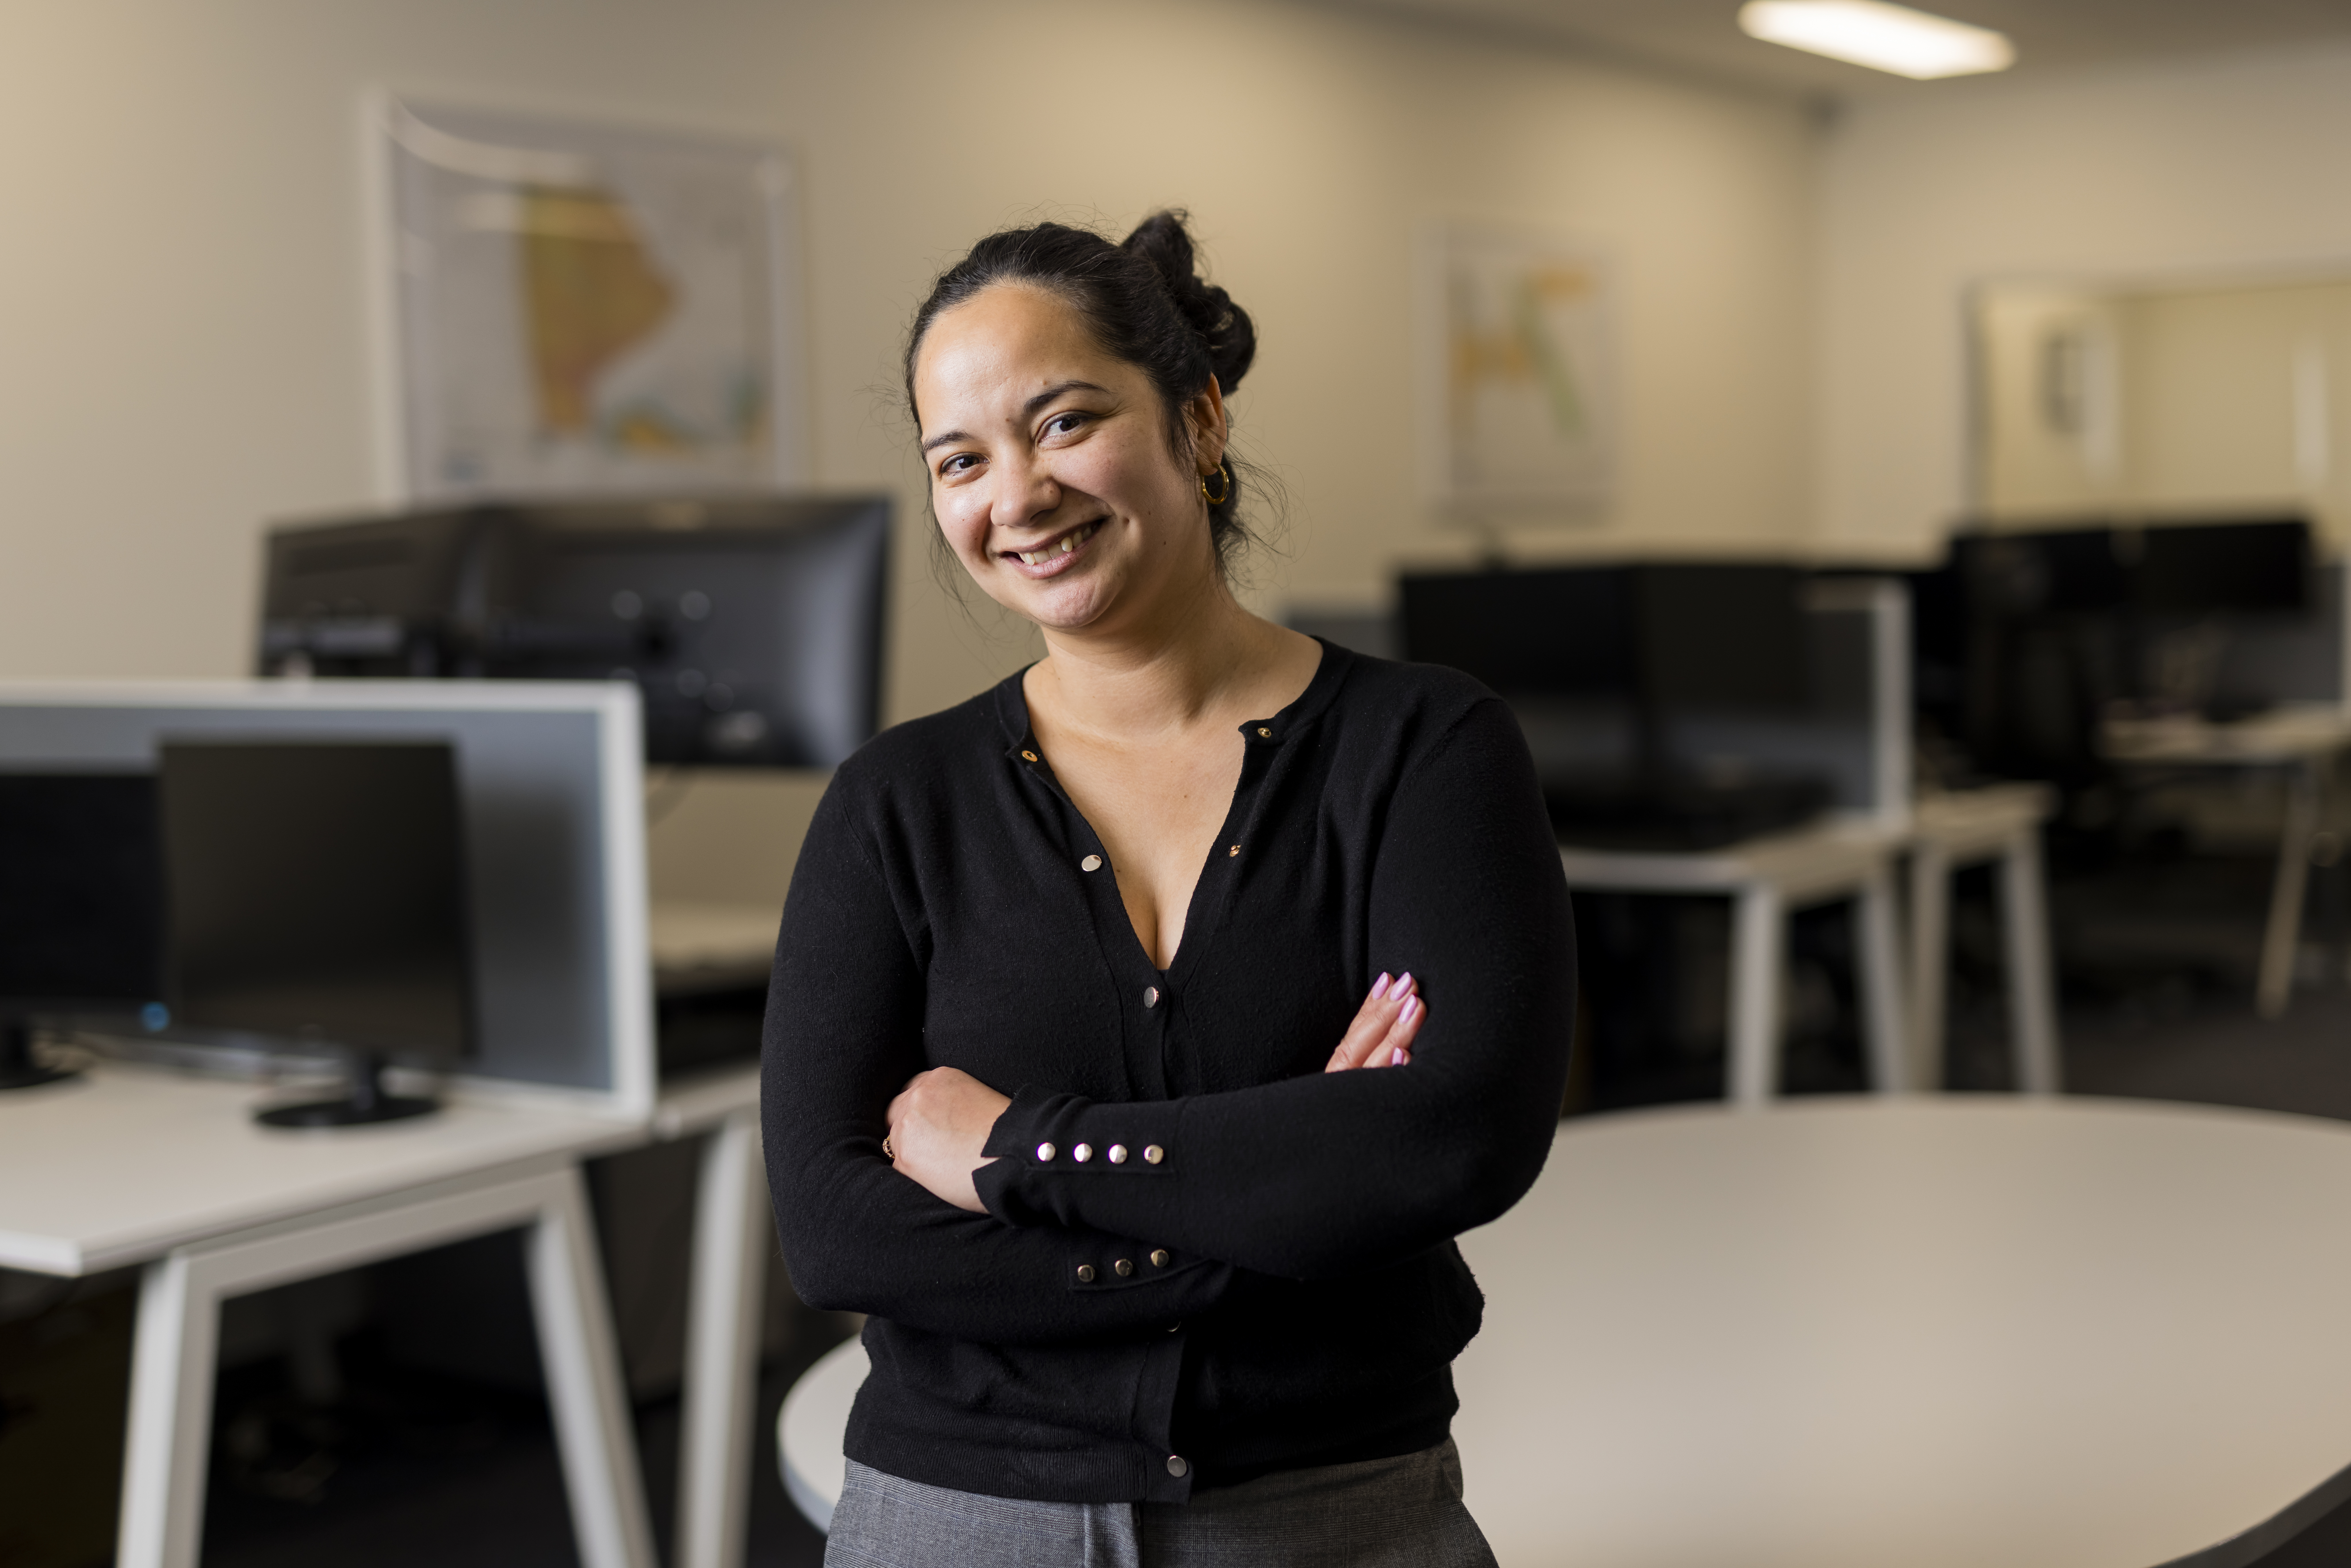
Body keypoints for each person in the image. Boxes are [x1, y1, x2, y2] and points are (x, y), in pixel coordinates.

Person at [763, 211, 1576, 1567]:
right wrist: (1285, 1198)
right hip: (960, 1515)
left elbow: (1457, 1140)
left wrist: (1017, 1152)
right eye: (957, 459)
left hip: (1333, 1509)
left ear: (1197, 420)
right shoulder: (893, 805)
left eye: (1064, 422)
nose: (1013, 495)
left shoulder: (1422, 749)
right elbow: (836, 1233)